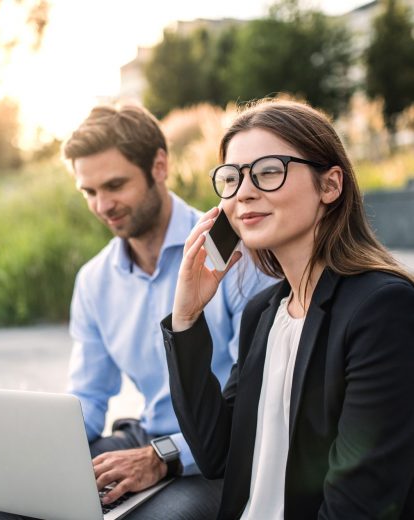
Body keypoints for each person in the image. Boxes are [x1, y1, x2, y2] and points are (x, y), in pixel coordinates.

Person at [0, 104, 274, 520]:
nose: (102, 205)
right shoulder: (94, 280)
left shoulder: (233, 254)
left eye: (115, 185)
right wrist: (34, 450)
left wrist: (164, 455)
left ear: (160, 166)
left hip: (217, 452)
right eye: (89, 192)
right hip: (143, 435)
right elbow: (90, 398)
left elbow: (258, 402)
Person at [161, 98, 414, 520]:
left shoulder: (382, 309)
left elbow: (358, 505)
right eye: (231, 178)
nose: (244, 192)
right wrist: (186, 320)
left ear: (330, 185)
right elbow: (216, 454)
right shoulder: (263, 312)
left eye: (269, 171)